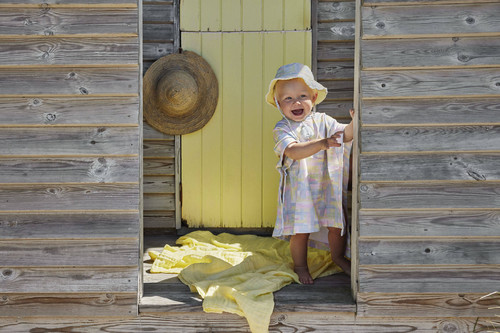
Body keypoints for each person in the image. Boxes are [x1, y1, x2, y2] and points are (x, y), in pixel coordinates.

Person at [266, 63, 354, 284]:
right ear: (278, 103)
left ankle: (337, 257)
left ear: (313, 98)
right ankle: (300, 265)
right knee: (300, 231)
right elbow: (294, 152)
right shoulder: (282, 128)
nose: (296, 102)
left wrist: (355, 122)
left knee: (336, 225)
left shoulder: (323, 121)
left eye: (302, 96)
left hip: (326, 183)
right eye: (287, 98)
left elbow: (345, 136)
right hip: (300, 189)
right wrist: (323, 143)